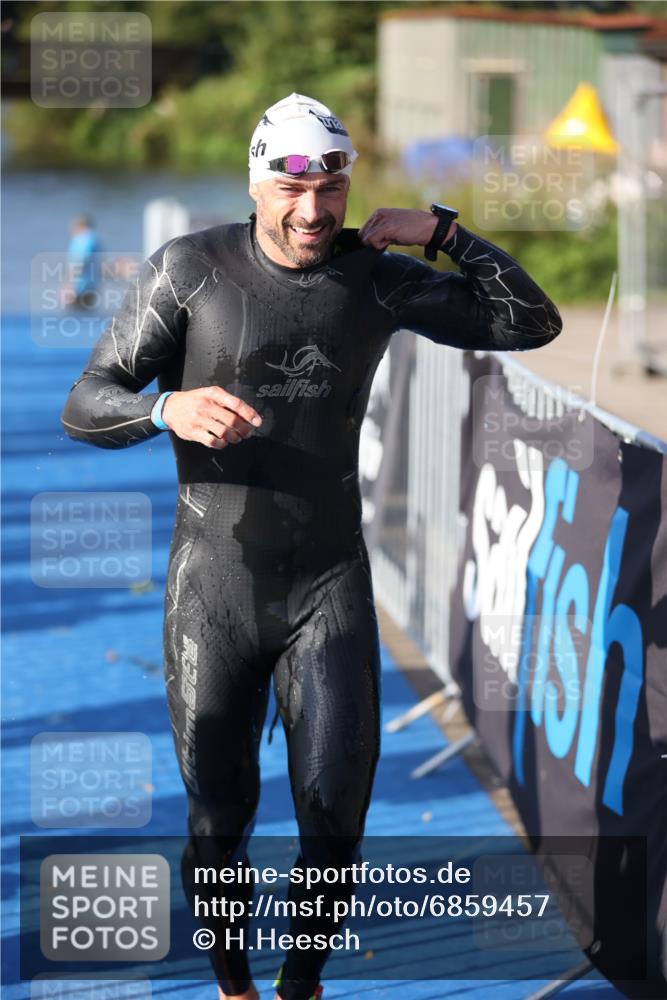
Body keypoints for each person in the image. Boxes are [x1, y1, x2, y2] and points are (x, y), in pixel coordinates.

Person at [60, 93, 562, 1000]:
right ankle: (233, 987)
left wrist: (446, 232)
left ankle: (299, 987)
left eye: (329, 187)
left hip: (328, 586)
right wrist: (162, 407)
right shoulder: (190, 270)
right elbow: (87, 399)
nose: (311, 211)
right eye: (291, 189)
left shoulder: (374, 278)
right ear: (257, 186)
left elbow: (531, 323)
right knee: (221, 820)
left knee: (334, 819)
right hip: (210, 589)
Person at [62, 214, 100, 308]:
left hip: (80, 288)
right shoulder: (93, 239)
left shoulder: (82, 240)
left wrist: (69, 285)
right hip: (91, 286)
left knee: (75, 318)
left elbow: (79, 263)